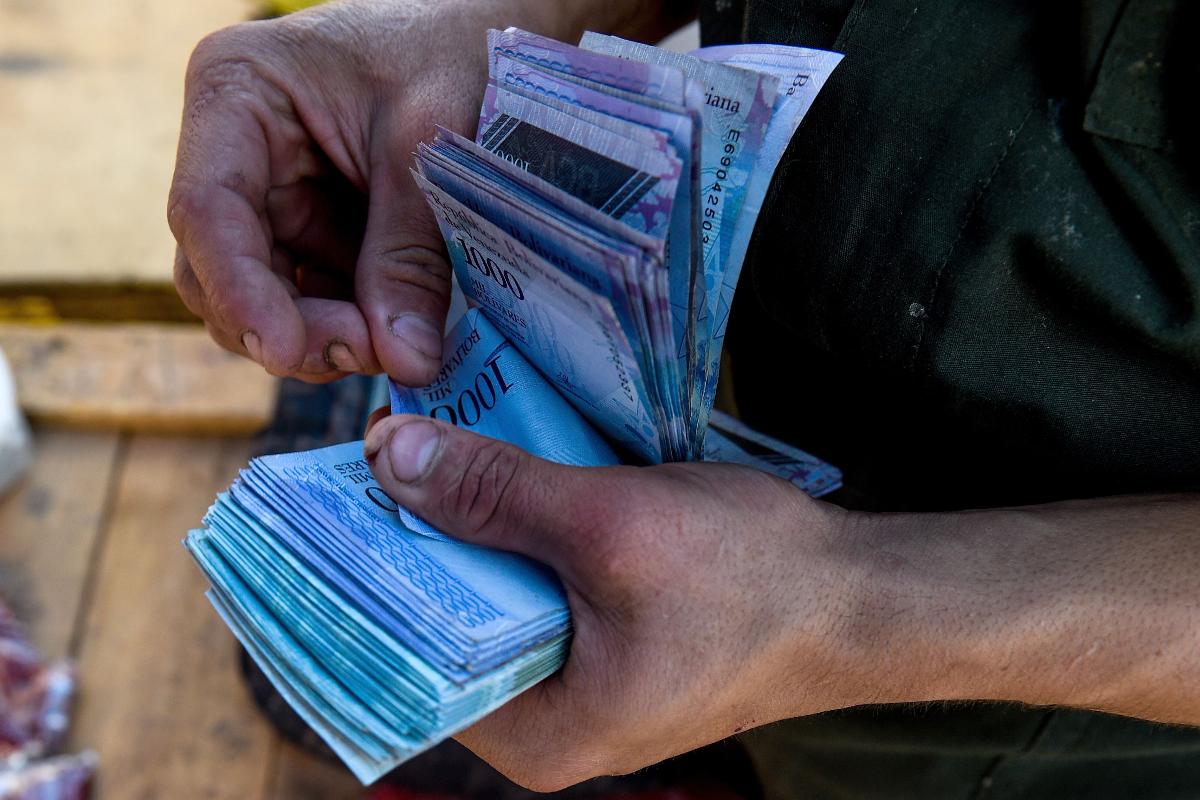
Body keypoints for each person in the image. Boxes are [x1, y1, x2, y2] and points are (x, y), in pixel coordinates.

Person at [168, 0, 1200, 796]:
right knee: (302, 664)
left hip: (997, 712)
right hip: (685, 371)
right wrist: (489, 23)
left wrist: (850, 613)